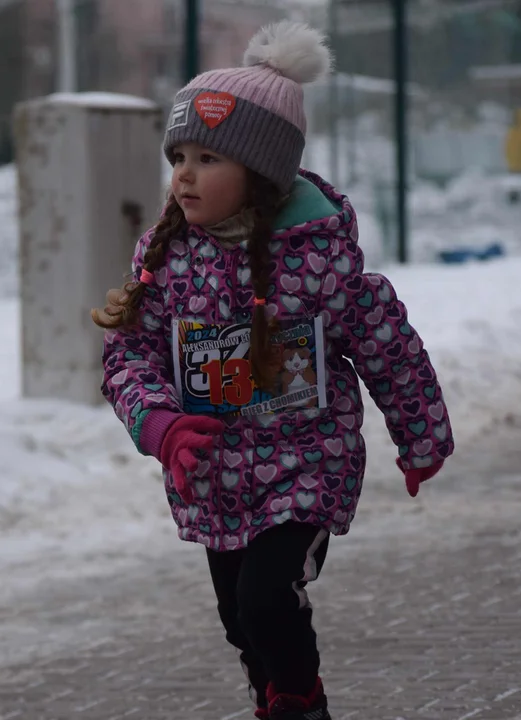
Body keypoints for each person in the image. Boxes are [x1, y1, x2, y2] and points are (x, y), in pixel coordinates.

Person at [93, 21, 454, 720]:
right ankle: (275, 698)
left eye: (208, 159)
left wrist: (421, 440)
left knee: (266, 600)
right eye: (179, 157)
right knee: (239, 619)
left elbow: (389, 347)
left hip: (304, 467)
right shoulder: (167, 256)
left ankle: (299, 702)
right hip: (214, 476)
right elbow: (128, 354)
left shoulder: (318, 259)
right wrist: (158, 424)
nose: (185, 176)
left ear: (259, 175)